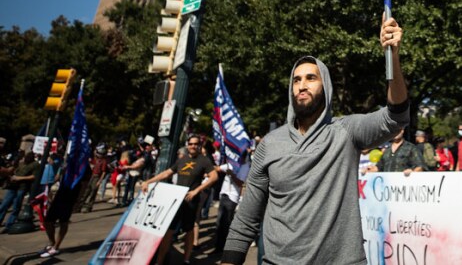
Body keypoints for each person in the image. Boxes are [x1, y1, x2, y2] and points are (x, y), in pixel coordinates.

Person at [221, 16, 409, 264]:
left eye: (311, 78)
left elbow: (396, 116)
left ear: (326, 86)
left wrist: (392, 57)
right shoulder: (269, 145)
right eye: (296, 80)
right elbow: (247, 216)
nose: (302, 85)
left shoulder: (346, 132)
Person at [140, 134, 218, 265]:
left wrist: (197, 190)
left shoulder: (204, 160)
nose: (193, 146)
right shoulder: (182, 159)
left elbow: (214, 177)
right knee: (169, 230)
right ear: (187, 145)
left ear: (199, 146)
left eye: (196, 144)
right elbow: (167, 173)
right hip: (176, 200)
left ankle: (186, 259)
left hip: (191, 201)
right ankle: (159, 261)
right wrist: (148, 181)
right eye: (191, 144)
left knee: (188, 230)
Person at [213, 158, 250, 255]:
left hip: (232, 197)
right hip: (224, 194)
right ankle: (218, 247)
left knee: (226, 223)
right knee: (219, 223)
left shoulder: (245, 166)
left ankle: (225, 249)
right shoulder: (231, 163)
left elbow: (240, 183)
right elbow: (217, 168)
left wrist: (231, 174)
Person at [0, 151, 38, 229]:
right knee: (4, 205)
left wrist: (19, 178)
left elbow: (34, 176)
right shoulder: (21, 163)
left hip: (22, 187)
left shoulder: (35, 164)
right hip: (13, 187)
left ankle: (9, 224)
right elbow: (14, 171)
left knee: (16, 207)